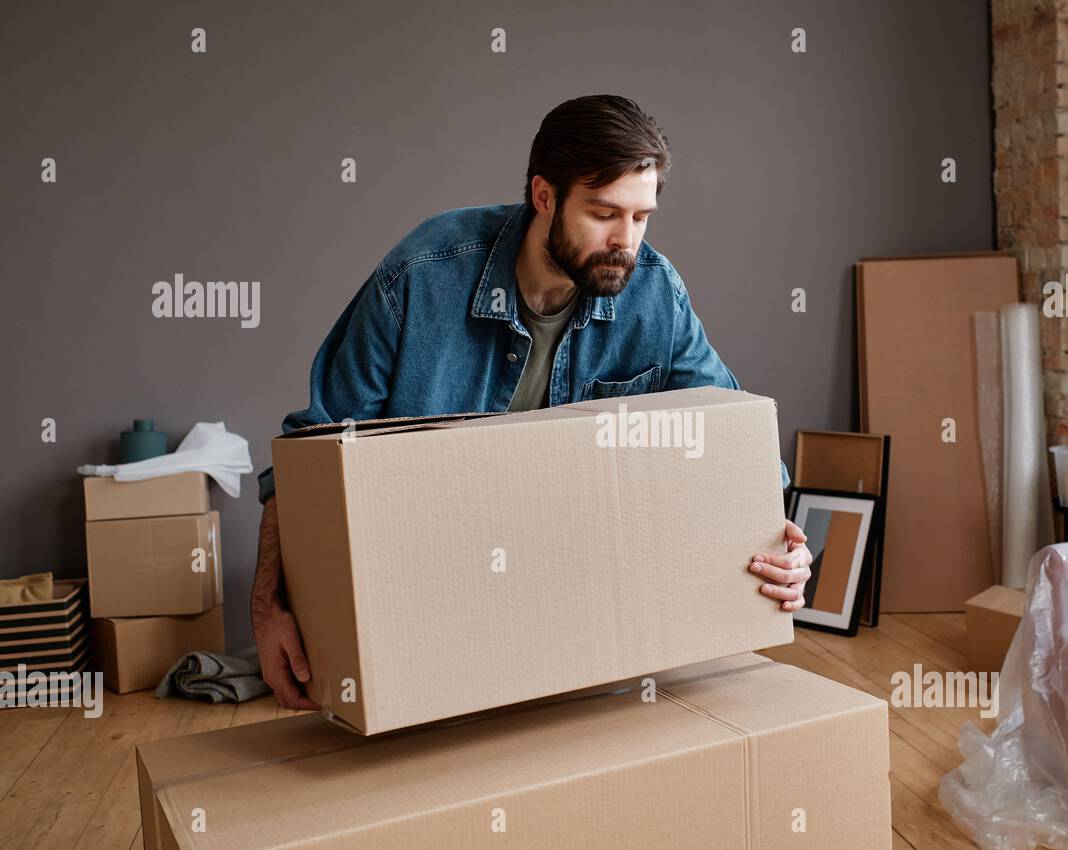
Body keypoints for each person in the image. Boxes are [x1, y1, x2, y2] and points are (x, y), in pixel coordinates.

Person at [250, 94, 811, 710]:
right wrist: (268, 610)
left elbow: (733, 441)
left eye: (642, 216)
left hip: (576, 597)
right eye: (603, 214)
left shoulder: (654, 292)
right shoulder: (421, 275)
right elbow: (309, 451)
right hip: (428, 589)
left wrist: (785, 544)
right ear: (544, 196)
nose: (626, 241)